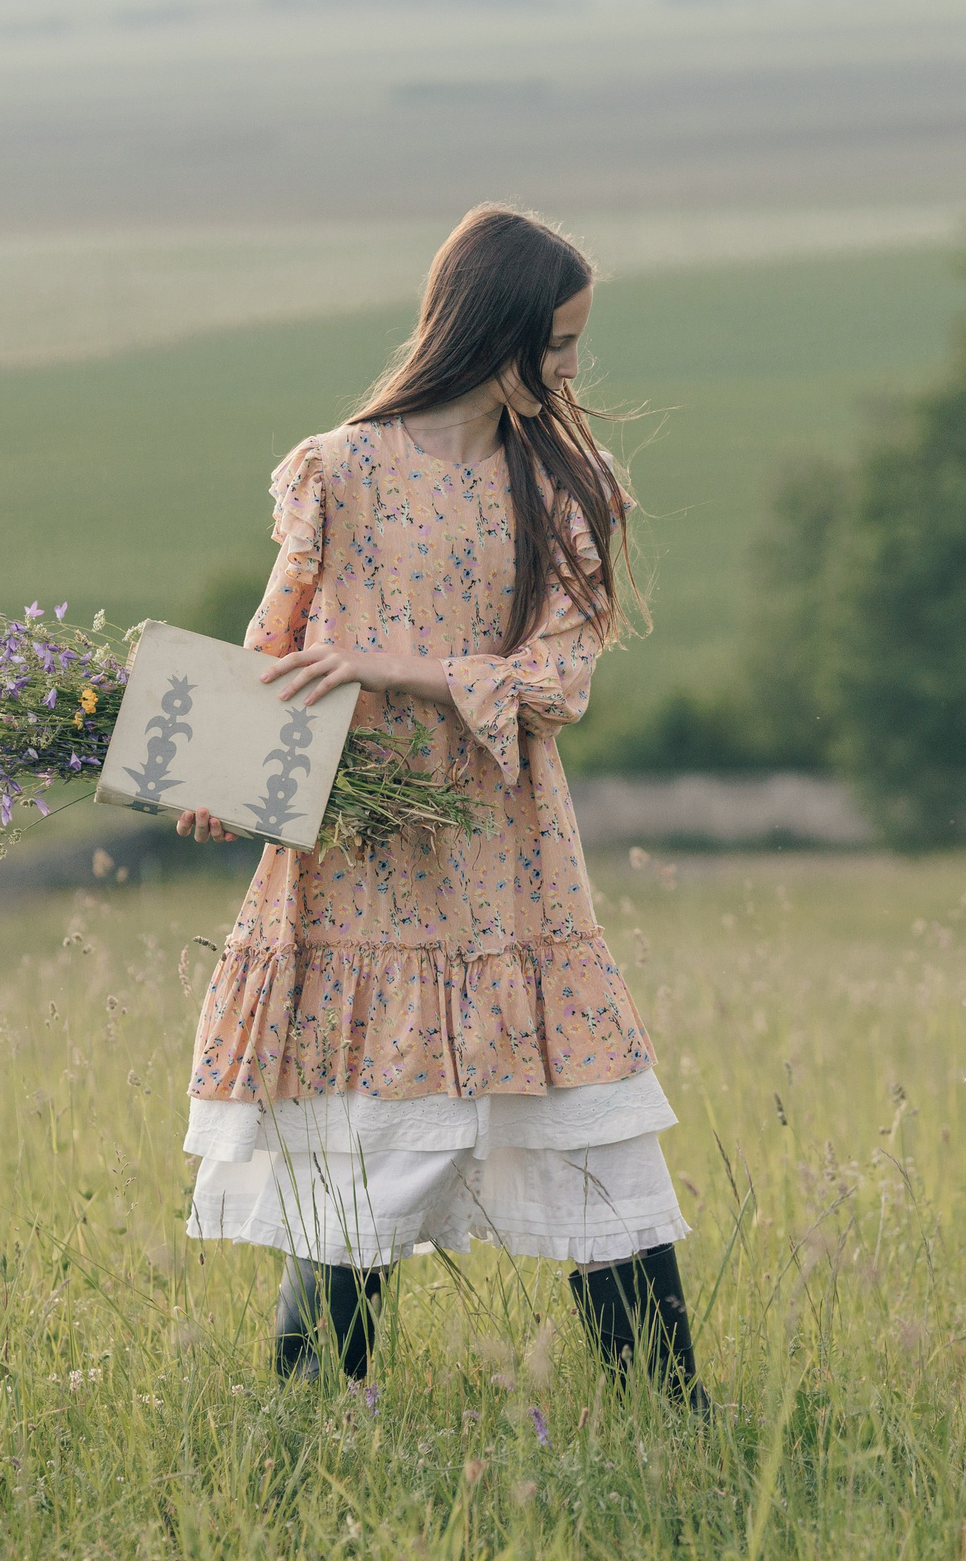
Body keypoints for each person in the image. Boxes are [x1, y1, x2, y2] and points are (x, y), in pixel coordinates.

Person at [174, 203, 706, 1411]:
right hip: (364, 849)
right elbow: (277, 649)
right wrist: (220, 778)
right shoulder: (338, 469)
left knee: (585, 1129)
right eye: (556, 344)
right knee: (360, 1139)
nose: (571, 371)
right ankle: (312, 1420)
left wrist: (389, 666)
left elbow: (555, 686)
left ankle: (673, 1414)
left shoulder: (570, 483)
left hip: (505, 856)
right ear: (489, 331)